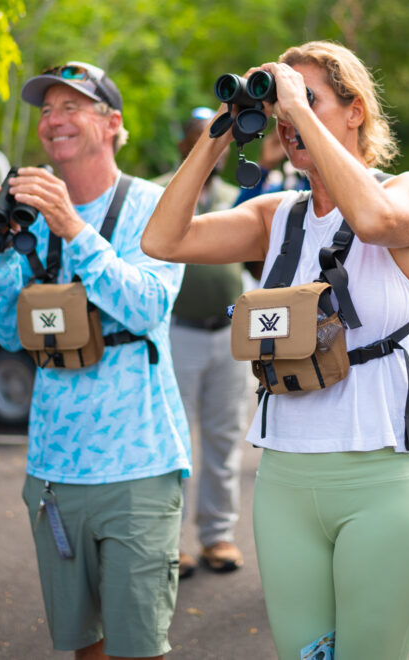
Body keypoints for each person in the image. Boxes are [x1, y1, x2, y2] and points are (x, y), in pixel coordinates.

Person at [141, 41, 409, 660]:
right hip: (285, 477)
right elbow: (162, 240)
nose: (287, 117)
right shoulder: (277, 216)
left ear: (355, 111)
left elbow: (373, 222)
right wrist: (221, 131)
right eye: (281, 109)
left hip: (384, 474)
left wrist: (296, 112)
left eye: (309, 99)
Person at [0, 61, 191, 660]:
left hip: (137, 464)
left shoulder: (154, 204)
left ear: (112, 123)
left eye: (72, 106)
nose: (54, 120)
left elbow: (147, 306)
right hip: (54, 468)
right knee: (84, 647)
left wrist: (73, 228)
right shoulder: (28, 213)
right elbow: (10, 334)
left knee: (138, 646)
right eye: (46, 110)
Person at [157, 107, 250, 579]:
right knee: (174, 441)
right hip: (180, 333)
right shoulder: (161, 192)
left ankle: (217, 536)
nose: (211, 148)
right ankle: (170, 542)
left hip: (229, 336)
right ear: (184, 146)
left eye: (218, 140)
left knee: (224, 437)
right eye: (199, 137)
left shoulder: (238, 196)